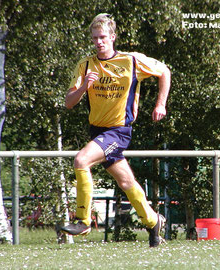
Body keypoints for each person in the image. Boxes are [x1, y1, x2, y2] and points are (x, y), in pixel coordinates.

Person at [61, 13, 171, 247]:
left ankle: (82, 221)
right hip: (97, 132)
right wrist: (85, 87)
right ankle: (153, 222)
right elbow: (69, 102)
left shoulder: (131, 61)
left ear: (113, 37)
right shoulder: (86, 65)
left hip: (119, 131)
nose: (98, 42)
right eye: (94, 38)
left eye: (102, 37)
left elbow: (165, 72)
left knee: (81, 160)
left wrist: (160, 104)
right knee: (126, 182)